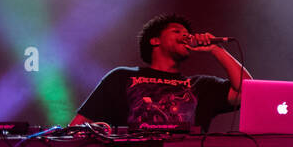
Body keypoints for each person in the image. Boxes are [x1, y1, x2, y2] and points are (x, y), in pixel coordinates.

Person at [70, 14, 250, 131]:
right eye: (177, 31)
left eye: (188, 33)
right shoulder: (122, 77)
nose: (186, 36)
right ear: (155, 41)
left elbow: (247, 92)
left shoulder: (201, 85)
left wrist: (216, 50)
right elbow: (77, 126)